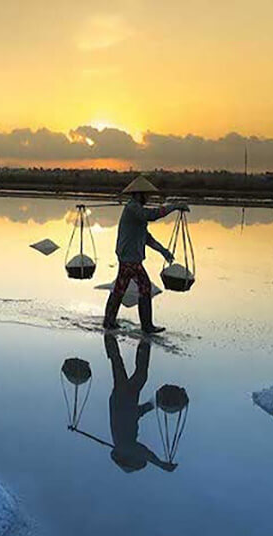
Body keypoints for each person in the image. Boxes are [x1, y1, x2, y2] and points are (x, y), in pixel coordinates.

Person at [103, 176, 189, 334]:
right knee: (144, 287)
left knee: (120, 289)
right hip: (129, 258)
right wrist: (174, 207)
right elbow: (153, 215)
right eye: (146, 195)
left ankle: (109, 321)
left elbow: (146, 237)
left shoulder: (136, 210)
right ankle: (146, 326)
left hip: (129, 257)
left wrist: (163, 251)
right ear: (138, 195)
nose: (148, 198)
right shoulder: (133, 209)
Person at [104, 333, 176, 473]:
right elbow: (136, 415)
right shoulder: (125, 441)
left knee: (123, 368)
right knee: (127, 369)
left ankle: (132, 341)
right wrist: (154, 403)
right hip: (126, 401)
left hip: (122, 400)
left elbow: (144, 453)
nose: (138, 456)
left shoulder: (124, 446)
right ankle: (137, 342)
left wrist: (161, 464)